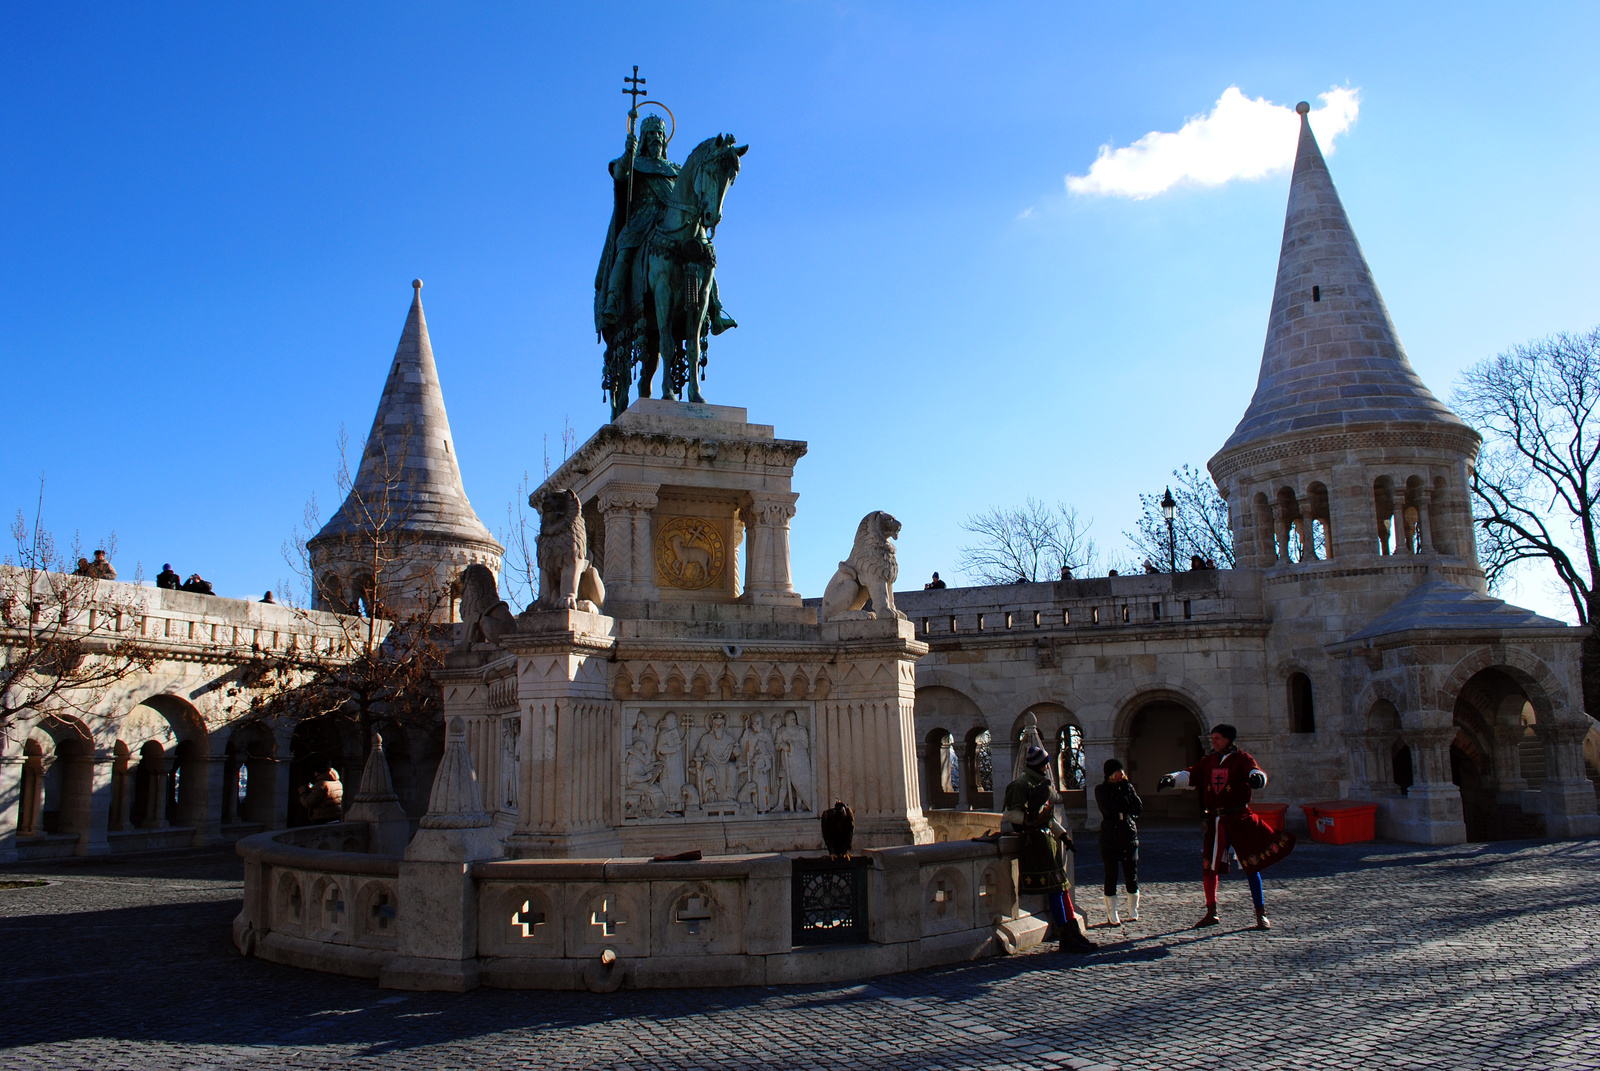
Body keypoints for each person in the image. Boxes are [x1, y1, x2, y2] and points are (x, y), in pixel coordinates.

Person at [595, 113, 735, 336]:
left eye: (660, 134)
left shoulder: (676, 169)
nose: (656, 139)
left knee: (703, 251)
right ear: (643, 138)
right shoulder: (636, 163)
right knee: (625, 249)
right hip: (642, 220)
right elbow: (620, 174)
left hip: (673, 219)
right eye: (651, 134)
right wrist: (627, 155)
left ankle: (715, 309)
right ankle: (613, 300)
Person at [1158, 723, 1295, 930]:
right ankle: (1211, 913)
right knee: (1209, 866)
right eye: (1212, 738)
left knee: (1251, 865)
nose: (1213, 741)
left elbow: (1254, 771)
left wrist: (1257, 778)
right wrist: (1172, 778)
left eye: (1218, 738)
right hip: (1215, 821)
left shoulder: (1242, 758)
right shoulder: (1209, 761)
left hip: (1240, 818)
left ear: (1229, 739)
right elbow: (1192, 774)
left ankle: (1261, 914)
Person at [1003, 745, 1096, 953]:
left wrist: (1063, 835)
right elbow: (1011, 815)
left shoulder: (1039, 783)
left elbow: (1049, 818)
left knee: (1062, 887)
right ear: (1039, 764)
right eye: (1045, 763)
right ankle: (1066, 935)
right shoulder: (1021, 785)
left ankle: (1073, 933)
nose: (1048, 767)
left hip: (1047, 841)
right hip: (1033, 843)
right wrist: (1031, 820)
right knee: (1056, 888)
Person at [1095, 758, 1141, 926]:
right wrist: (1126, 802)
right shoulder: (1101, 789)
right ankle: (1112, 912)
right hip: (1110, 836)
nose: (1121, 774)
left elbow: (1138, 807)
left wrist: (1125, 805)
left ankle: (1132, 908)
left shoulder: (1128, 787)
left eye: (1122, 771)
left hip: (1128, 834)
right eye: (1118, 771)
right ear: (1110, 774)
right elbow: (1108, 809)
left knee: (1131, 873)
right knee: (1111, 874)